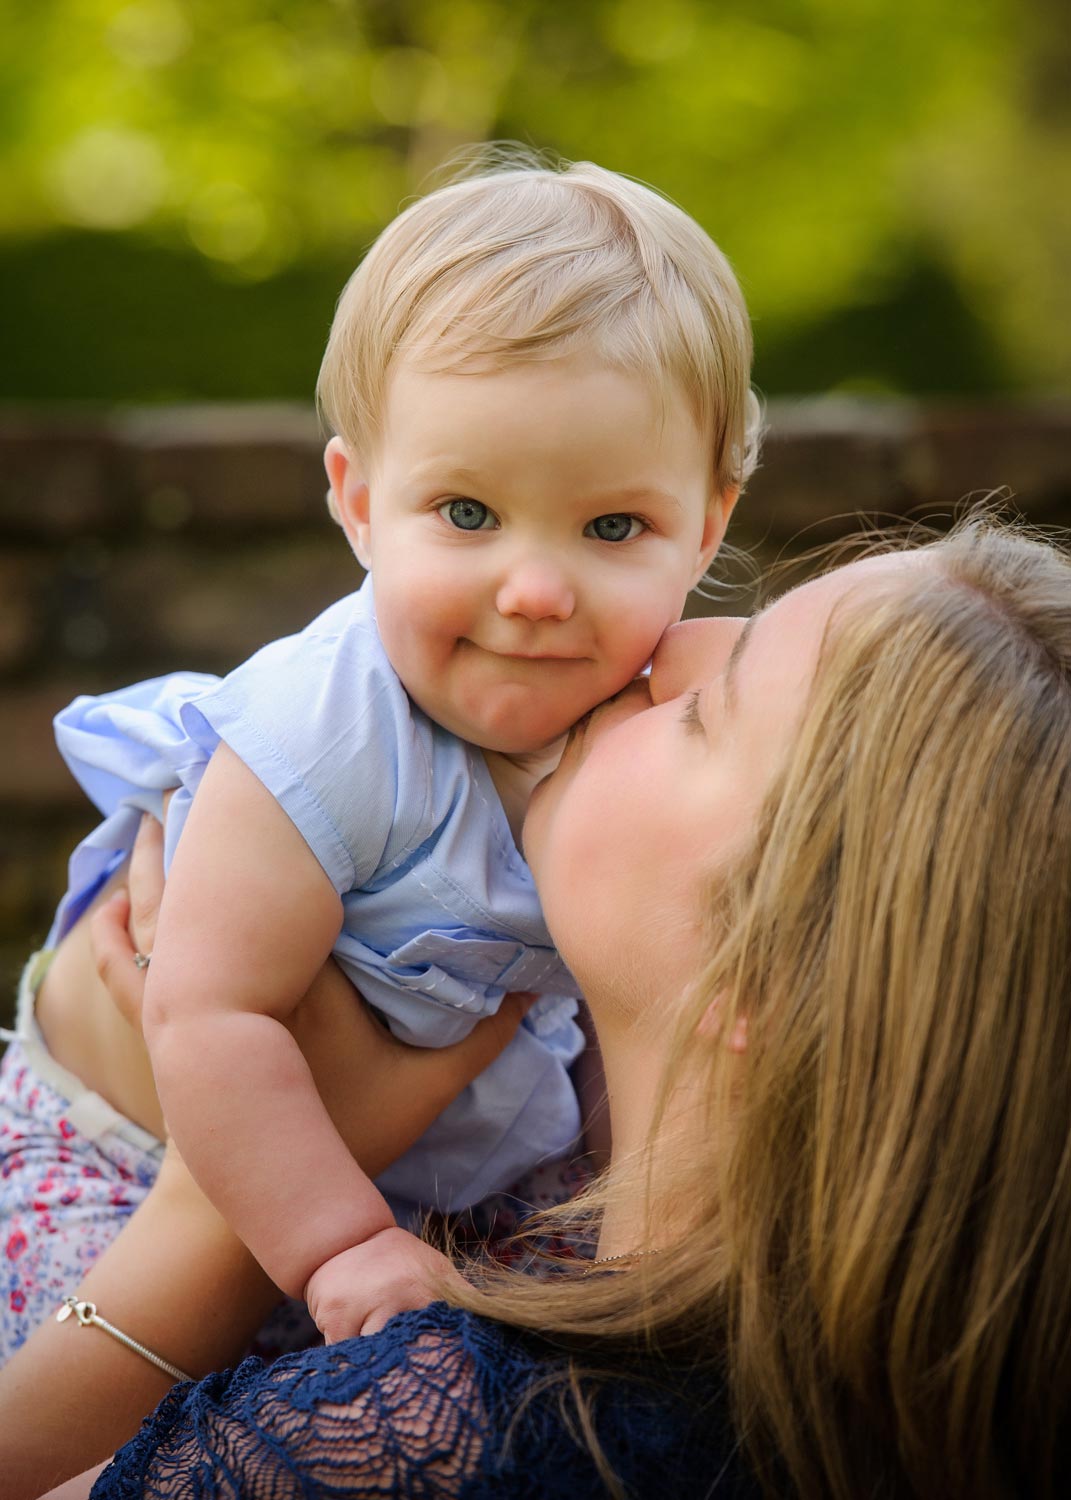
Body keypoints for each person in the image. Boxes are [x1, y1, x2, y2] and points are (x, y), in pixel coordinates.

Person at [11, 511, 1071, 1499]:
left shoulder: (439, 1442)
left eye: (710, 712)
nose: (668, 646)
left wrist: (218, 1209)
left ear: (762, 977)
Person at [0, 151, 760, 1357]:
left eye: (615, 526)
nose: (534, 589)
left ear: (706, 525)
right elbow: (209, 1014)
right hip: (135, 1161)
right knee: (135, 1400)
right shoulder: (327, 728)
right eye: (467, 514)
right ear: (359, 502)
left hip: (436, 1176)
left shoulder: (675, 720)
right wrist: (338, 1245)